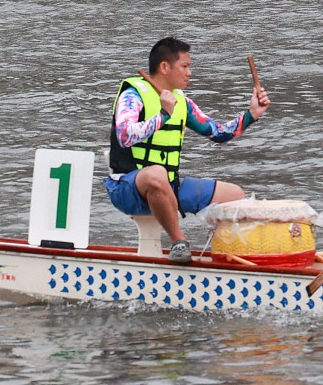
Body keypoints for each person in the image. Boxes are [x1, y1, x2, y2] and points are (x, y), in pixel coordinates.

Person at [103, 36, 267, 264]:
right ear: (164, 67)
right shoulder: (132, 95)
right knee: (156, 173)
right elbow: (124, 135)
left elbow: (218, 133)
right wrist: (163, 116)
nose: (190, 73)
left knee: (235, 195)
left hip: (168, 186)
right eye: (185, 66)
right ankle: (179, 243)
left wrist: (251, 115)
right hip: (127, 188)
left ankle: (227, 257)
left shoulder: (183, 102)